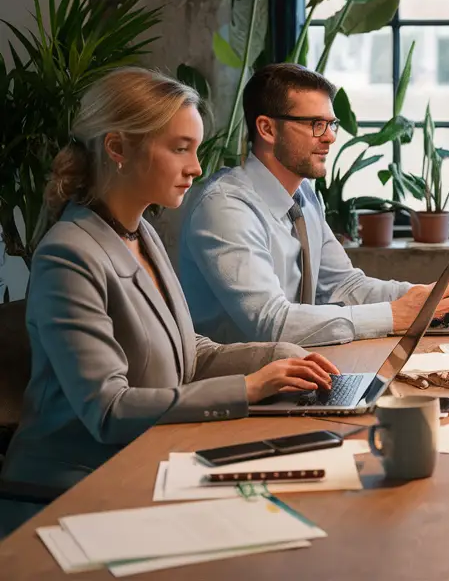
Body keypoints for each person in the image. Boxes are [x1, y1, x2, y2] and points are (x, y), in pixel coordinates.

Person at [1, 68, 339, 494]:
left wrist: (280, 356)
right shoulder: (67, 255)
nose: (196, 167)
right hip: (71, 489)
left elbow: (186, 351)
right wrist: (250, 387)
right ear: (118, 147)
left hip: (152, 461)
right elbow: (109, 409)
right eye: (181, 149)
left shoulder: (141, 233)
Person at [179, 64, 449, 347]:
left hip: (299, 372)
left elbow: (343, 286)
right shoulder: (225, 208)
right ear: (267, 129)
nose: (329, 137)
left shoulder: (303, 195)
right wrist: (394, 315)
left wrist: (419, 297)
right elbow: (272, 324)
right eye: (315, 124)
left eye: (331, 124)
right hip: (242, 385)